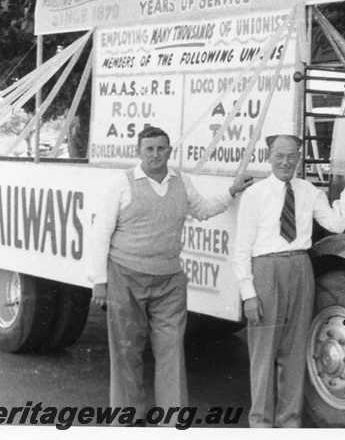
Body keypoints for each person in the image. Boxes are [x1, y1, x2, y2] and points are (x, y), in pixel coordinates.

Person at [90, 126, 253, 425]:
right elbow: (100, 233)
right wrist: (99, 280)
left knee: (171, 351)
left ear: (169, 150)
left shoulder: (180, 181)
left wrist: (231, 192)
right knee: (127, 350)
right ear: (139, 151)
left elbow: (202, 209)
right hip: (125, 276)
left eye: (161, 148)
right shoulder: (121, 183)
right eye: (149, 149)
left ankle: (173, 420)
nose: (156, 155)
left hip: (169, 280)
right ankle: (127, 418)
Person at [232, 134, 345, 428]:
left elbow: (336, 224)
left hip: (300, 269)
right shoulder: (255, 195)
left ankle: (289, 423)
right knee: (264, 354)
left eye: (291, 156)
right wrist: (248, 293)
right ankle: (261, 425)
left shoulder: (308, 190)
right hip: (266, 270)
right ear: (269, 157)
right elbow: (241, 247)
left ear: (299, 157)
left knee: (294, 353)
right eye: (279, 156)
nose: (285, 162)